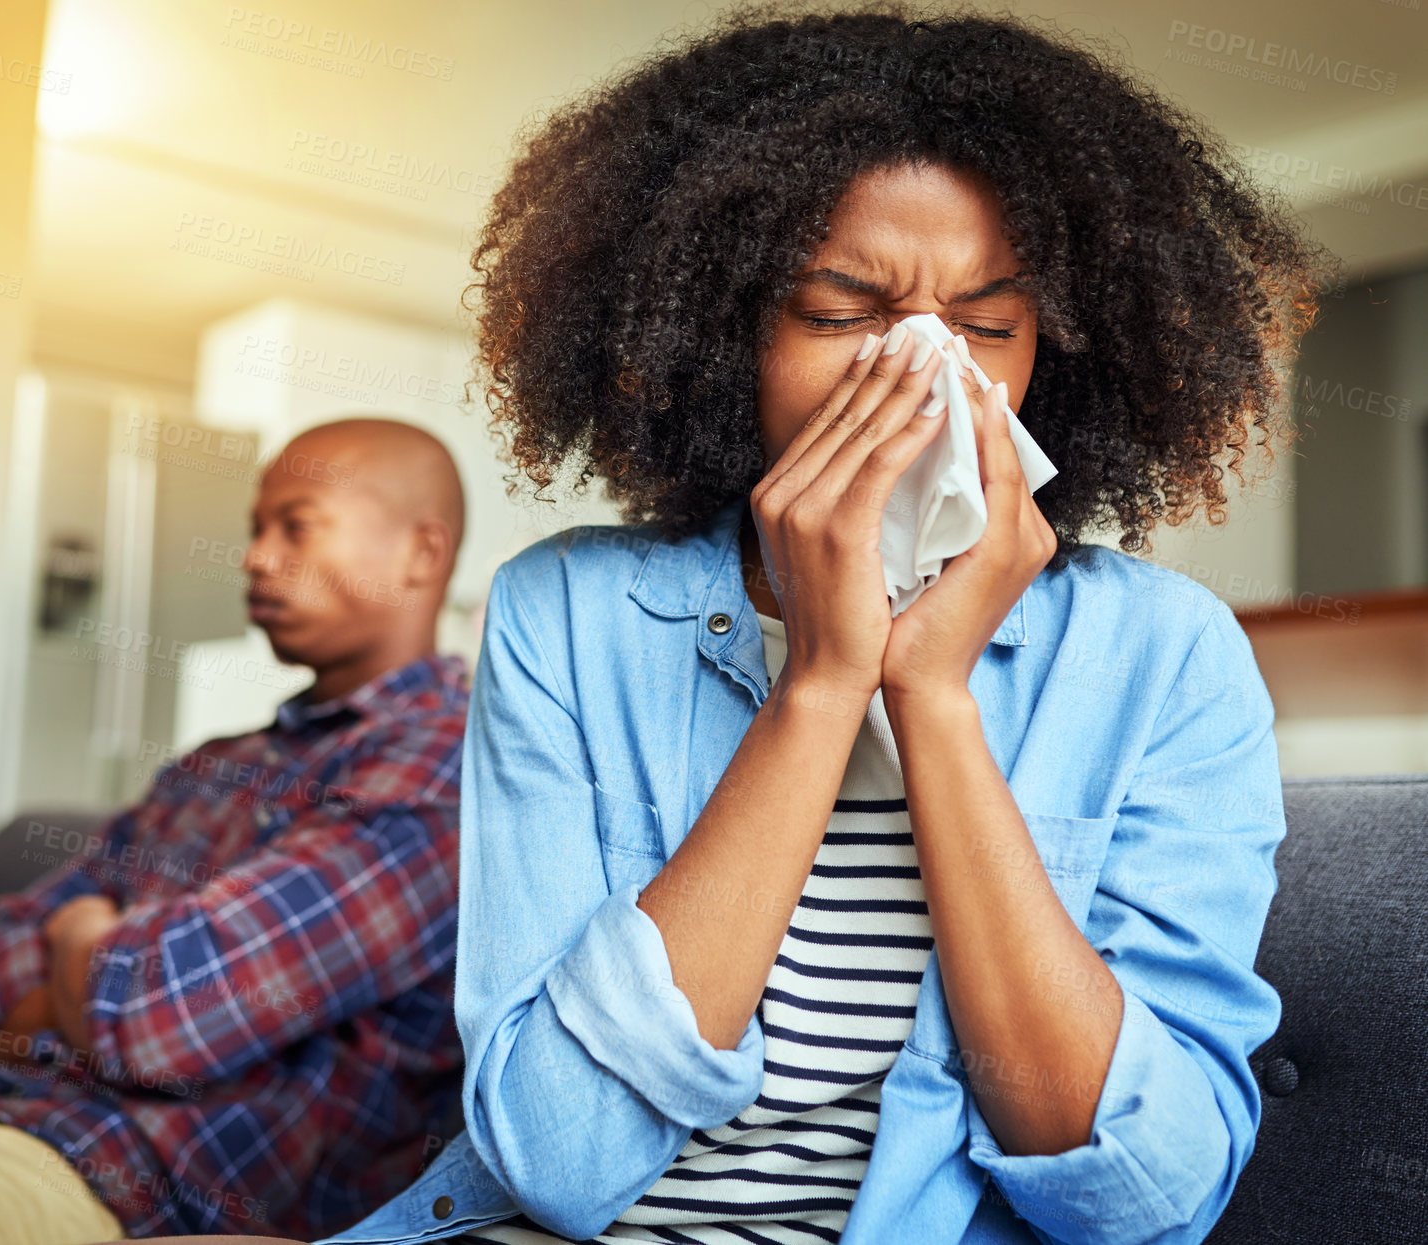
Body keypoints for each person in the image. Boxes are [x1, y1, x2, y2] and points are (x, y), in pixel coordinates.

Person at [314, 7, 1330, 1245]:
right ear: (717, 327)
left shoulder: (1165, 656)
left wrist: (935, 701)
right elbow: (558, 1162)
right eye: (843, 313)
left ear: (1054, 355)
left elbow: (1142, 1203)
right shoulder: (564, 615)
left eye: (988, 325)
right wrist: (823, 682)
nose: (918, 373)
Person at [0, 418, 472, 1244]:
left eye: (296, 525)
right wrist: (96, 979)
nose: (255, 556)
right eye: (253, 528)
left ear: (421, 552)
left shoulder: (441, 770)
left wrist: (90, 945)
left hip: (109, 1186)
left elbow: (160, 1014)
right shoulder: (212, 765)